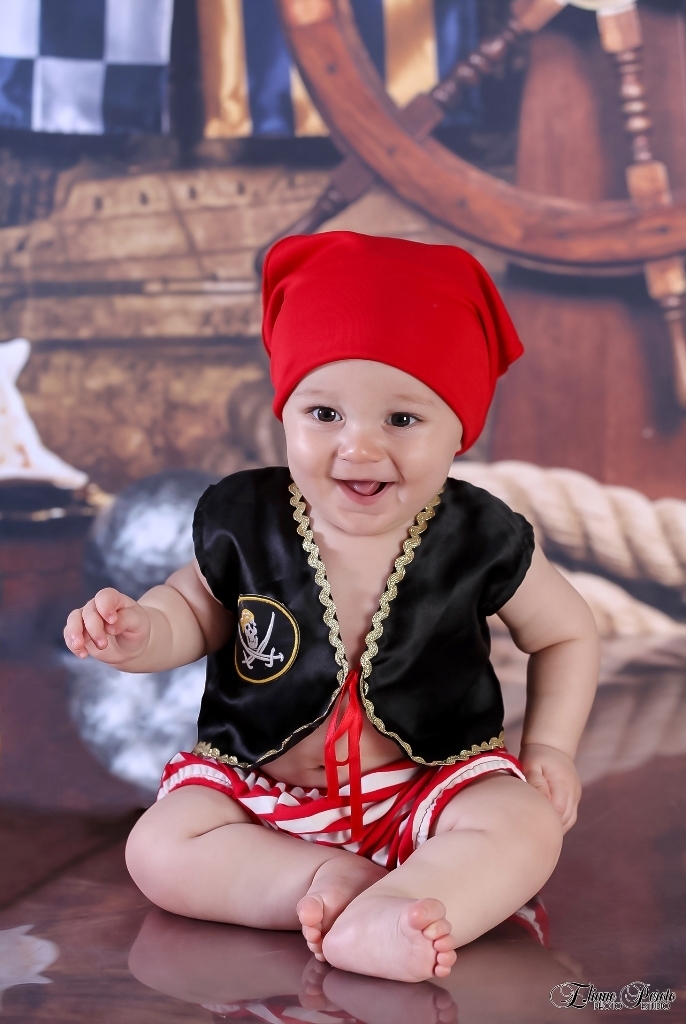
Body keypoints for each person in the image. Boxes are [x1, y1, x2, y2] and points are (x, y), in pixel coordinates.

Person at [64, 232, 599, 984]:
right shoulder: (248, 519)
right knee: (158, 848)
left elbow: (567, 633)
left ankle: (407, 904)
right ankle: (317, 883)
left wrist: (550, 749)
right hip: (263, 796)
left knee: (525, 824)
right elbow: (192, 609)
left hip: (427, 786)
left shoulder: (478, 534)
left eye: (401, 421)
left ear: (461, 431)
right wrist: (141, 633)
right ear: (285, 413)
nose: (358, 448)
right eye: (324, 413)